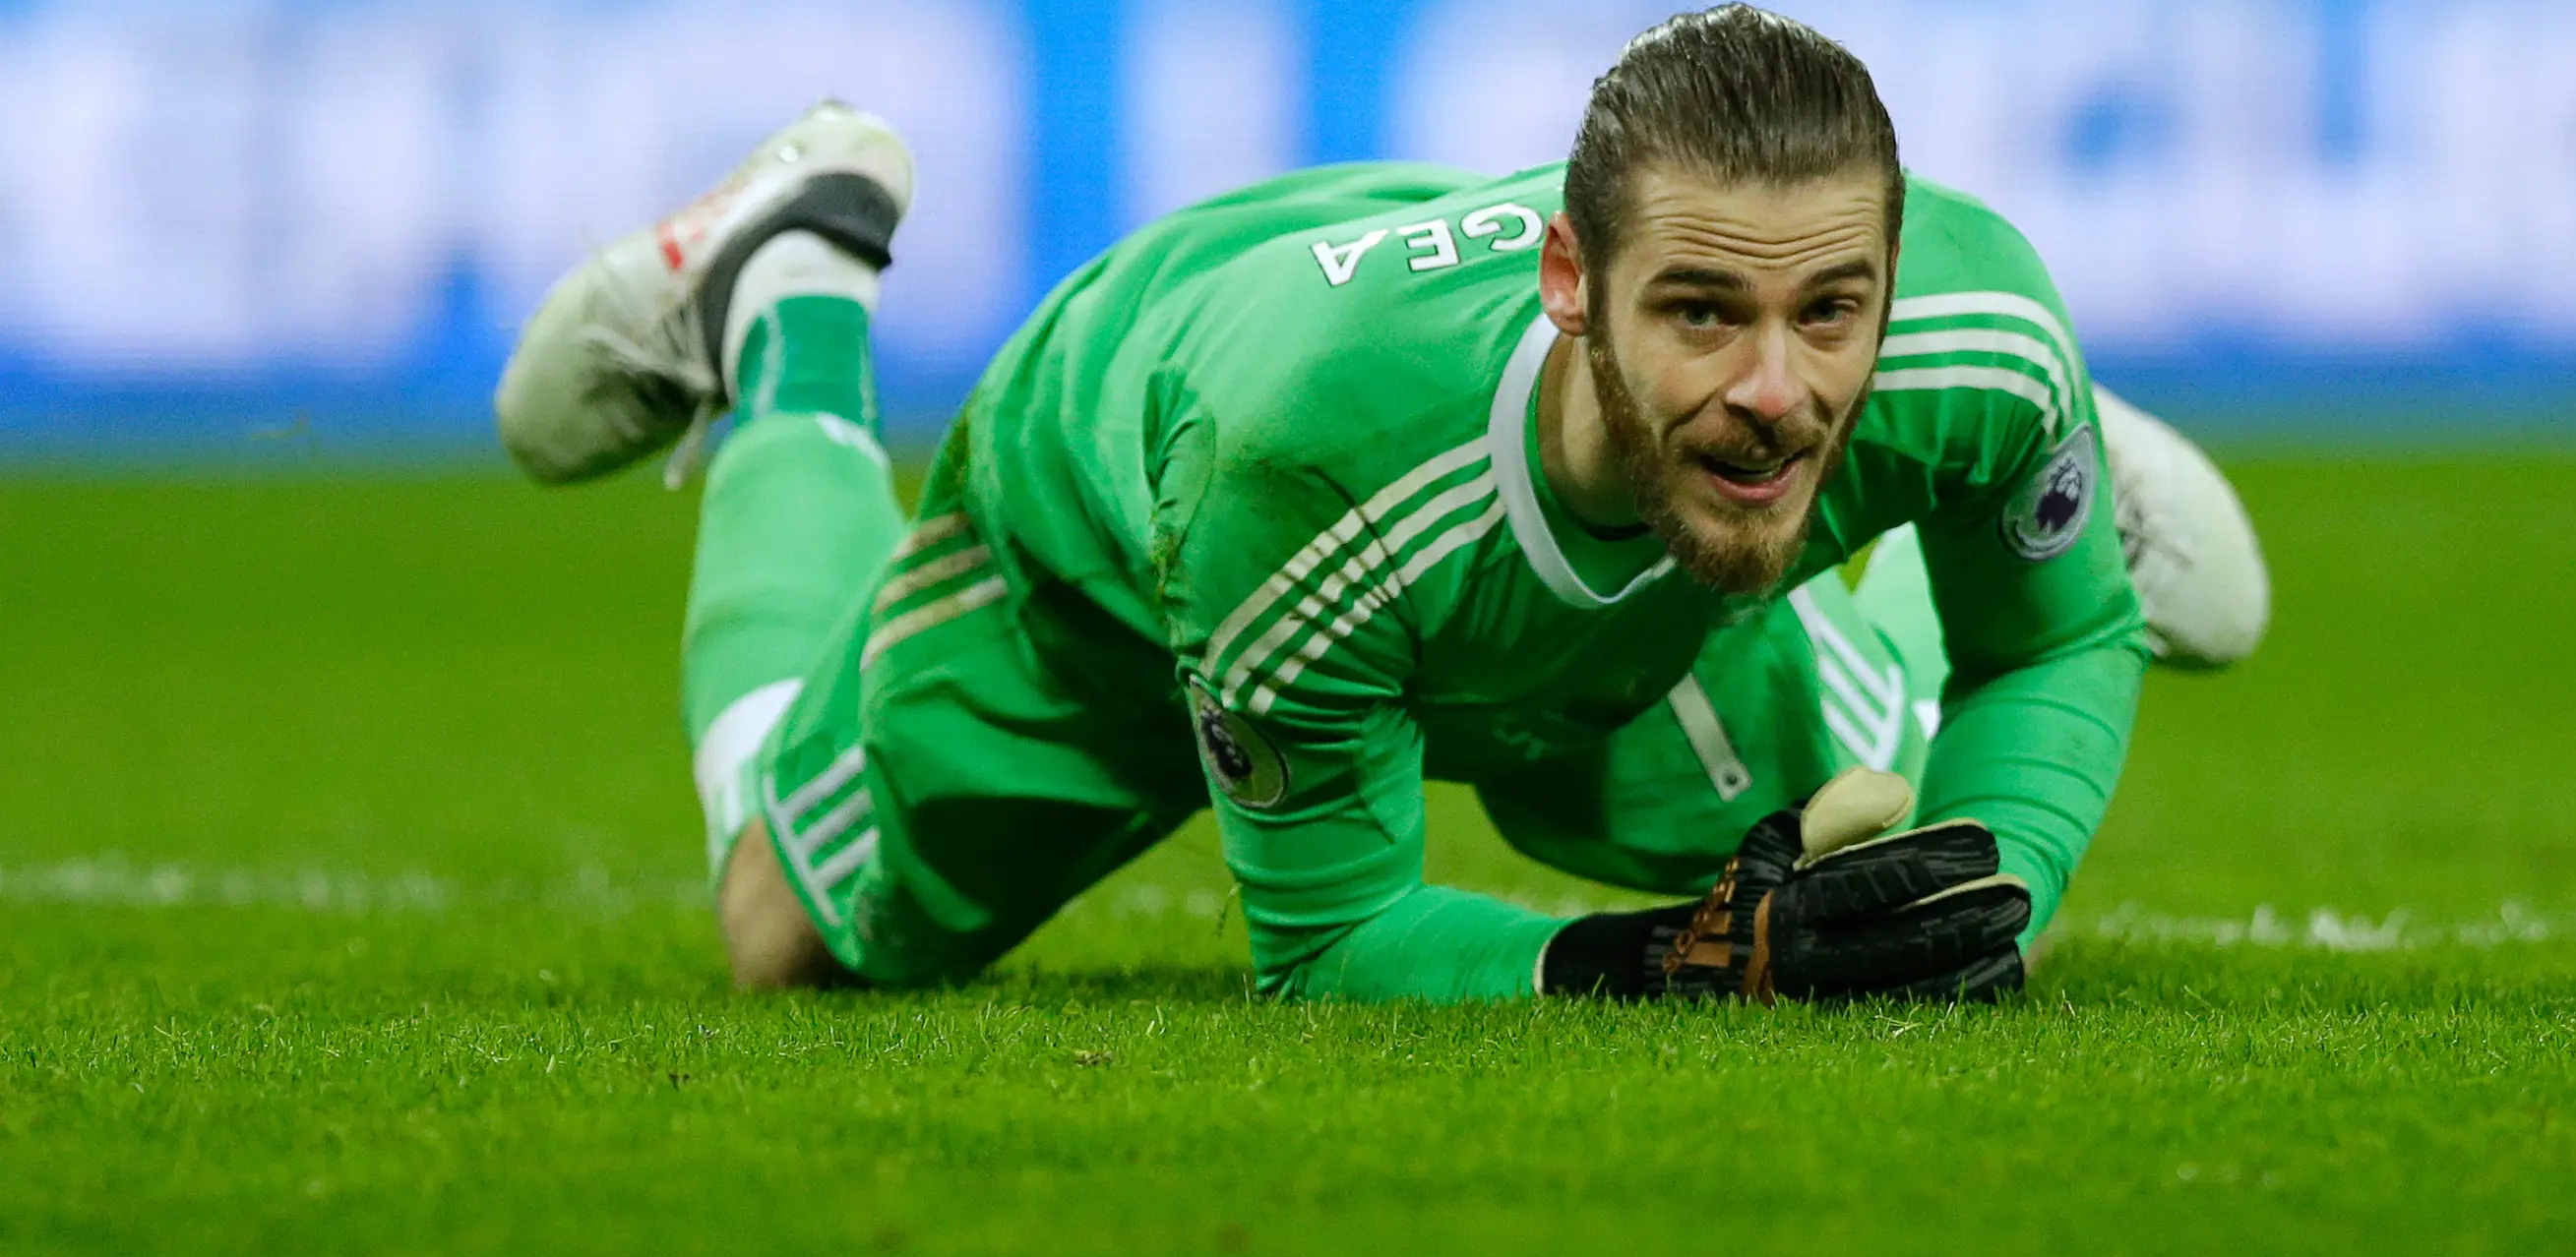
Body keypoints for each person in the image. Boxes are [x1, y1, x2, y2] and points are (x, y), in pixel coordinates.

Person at [496, 5, 2264, 1004]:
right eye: (1704, 309)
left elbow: (2066, 638)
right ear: (1575, 281)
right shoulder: (1301, 500)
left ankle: (2007, 502)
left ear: (1889, 279)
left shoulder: (1968, 329)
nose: (1783, 381)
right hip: (1130, 519)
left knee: (1859, 864)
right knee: (792, 942)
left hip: (1620, 538)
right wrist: (1671, 968)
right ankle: (790, 299)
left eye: (1832, 313)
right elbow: (1332, 939)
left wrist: (1998, 897)